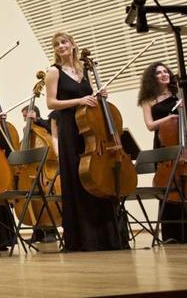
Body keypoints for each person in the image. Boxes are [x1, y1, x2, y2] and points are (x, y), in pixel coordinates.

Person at [45, 31, 126, 252]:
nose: (61, 46)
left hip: (89, 130)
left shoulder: (83, 70)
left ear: (72, 44)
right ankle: (84, 238)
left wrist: (100, 97)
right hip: (70, 129)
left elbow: (90, 100)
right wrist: (80, 100)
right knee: (78, 179)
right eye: (57, 44)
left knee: (96, 179)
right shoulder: (54, 72)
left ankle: (106, 237)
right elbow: (51, 103)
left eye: (64, 42)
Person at [137, 62, 187, 243]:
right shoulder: (148, 99)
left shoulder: (178, 94)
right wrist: (168, 118)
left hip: (184, 144)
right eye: (159, 73)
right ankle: (172, 234)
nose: (164, 74)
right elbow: (149, 126)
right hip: (164, 144)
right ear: (152, 78)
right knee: (168, 187)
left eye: (166, 71)